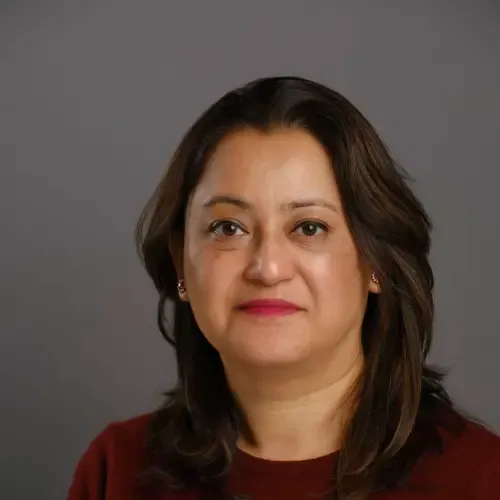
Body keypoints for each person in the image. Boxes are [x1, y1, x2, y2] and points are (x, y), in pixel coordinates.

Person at [68, 76, 500, 500]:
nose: (268, 268)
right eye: (228, 227)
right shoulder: (117, 472)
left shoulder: (482, 479)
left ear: (376, 263)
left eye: (309, 227)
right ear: (181, 260)